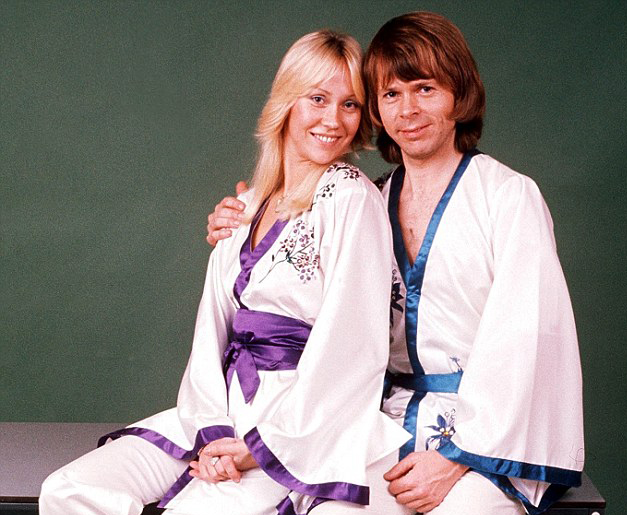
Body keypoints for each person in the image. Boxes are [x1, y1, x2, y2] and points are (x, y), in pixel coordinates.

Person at [205, 11, 584, 515]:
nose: (408, 110)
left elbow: (525, 344)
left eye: (425, 89)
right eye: (390, 94)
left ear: (458, 94)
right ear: (377, 111)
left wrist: (456, 458)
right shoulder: (366, 202)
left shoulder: (507, 197)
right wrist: (239, 218)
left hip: (488, 440)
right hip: (382, 424)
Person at [39, 30, 411, 515]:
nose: (333, 120)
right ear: (287, 101)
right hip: (217, 412)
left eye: (350, 105)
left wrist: (258, 447)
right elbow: (210, 332)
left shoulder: (351, 198)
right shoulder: (246, 205)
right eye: (317, 99)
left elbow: (352, 345)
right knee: (68, 489)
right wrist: (211, 429)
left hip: (295, 428)